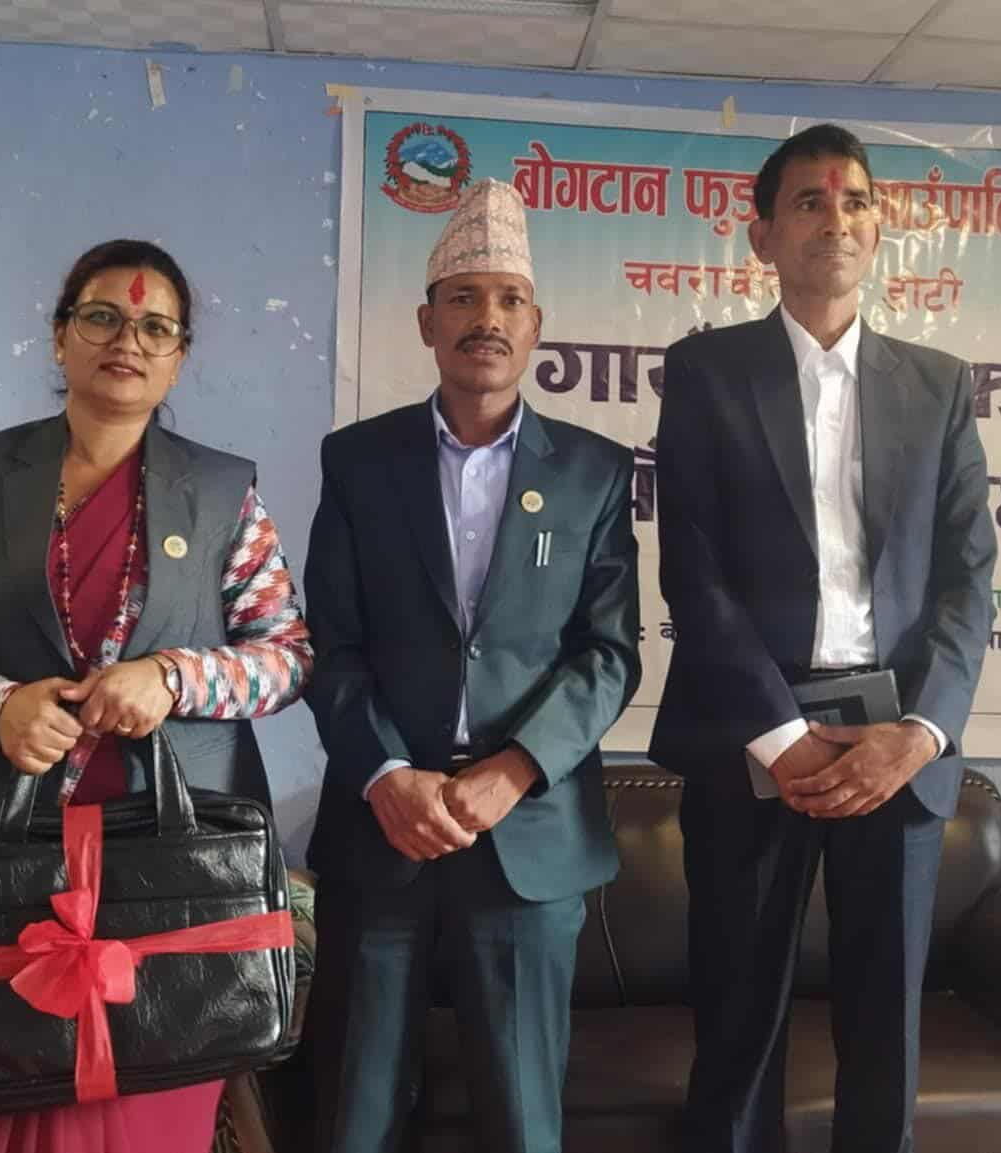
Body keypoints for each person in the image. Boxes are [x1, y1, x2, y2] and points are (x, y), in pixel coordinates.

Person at [0, 238, 312, 1153]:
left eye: (155, 326)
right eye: (102, 316)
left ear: (180, 356)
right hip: (1, 864)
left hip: (171, 873)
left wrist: (174, 676)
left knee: (153, 1109)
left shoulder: (223, 491)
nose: (127, 339)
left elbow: (288, 656)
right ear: (60, 337)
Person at [649, 125, 998, 1152]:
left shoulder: (938, 385)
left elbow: (967, 577)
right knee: (737, 1021)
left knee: (884, 1026)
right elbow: (694, 574)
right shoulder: (707, 373)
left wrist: (919, 733)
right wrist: (780, 734)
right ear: (762, 235)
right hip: (752, 735)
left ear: (878, 229)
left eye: (854, 201)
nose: (834, 220)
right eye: (808, 201)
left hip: (894, 743)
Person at [299, 179, 640, 1153]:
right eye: (462, 298)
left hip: (527, 834)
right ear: (426, 322)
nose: (485, 318)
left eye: (507, 300)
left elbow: (608, 654)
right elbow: (332, 648)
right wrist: (386, 773)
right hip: (383, 827)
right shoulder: (358, 463)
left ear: (535, 327)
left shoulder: (593, 471)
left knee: (521, 1118)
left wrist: (514, 769)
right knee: (354, 1115)